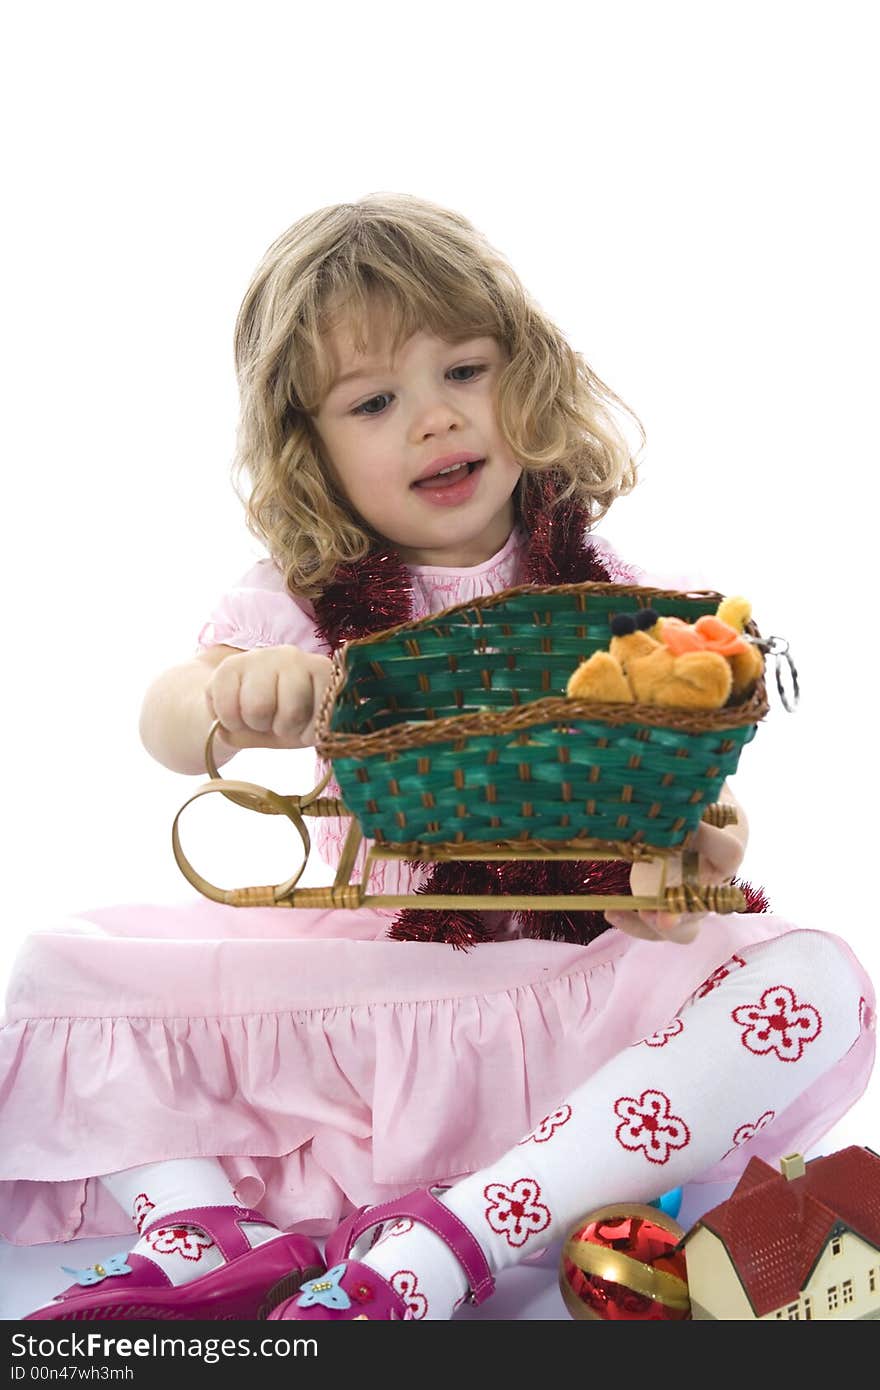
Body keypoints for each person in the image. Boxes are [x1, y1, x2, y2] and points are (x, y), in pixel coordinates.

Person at [4, 193, 874, 1322]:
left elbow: (674, 794)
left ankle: (444, 1243)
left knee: (805, 977)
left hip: (549, 992)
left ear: (527, 374)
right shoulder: (306, 598)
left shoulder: (591, 584)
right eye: (374, 400)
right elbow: (166, 723)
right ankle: (200, 1228)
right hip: (361, 986)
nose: (434, 419)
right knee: (53, 979)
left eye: (464, 371)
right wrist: (228, 697)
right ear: (308, 448)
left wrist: (688, 853)